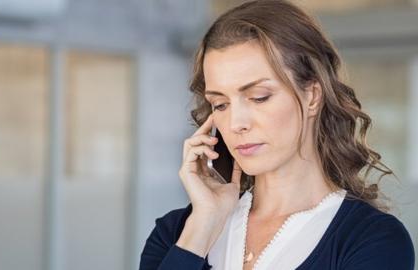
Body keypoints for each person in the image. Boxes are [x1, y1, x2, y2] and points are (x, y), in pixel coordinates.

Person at [139, 0, 415, 269]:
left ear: (312, 96)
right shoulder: (176, 233)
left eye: (259, 97)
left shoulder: (372, 240)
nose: (236, 123)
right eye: (220, 104)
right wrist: (201, 229)